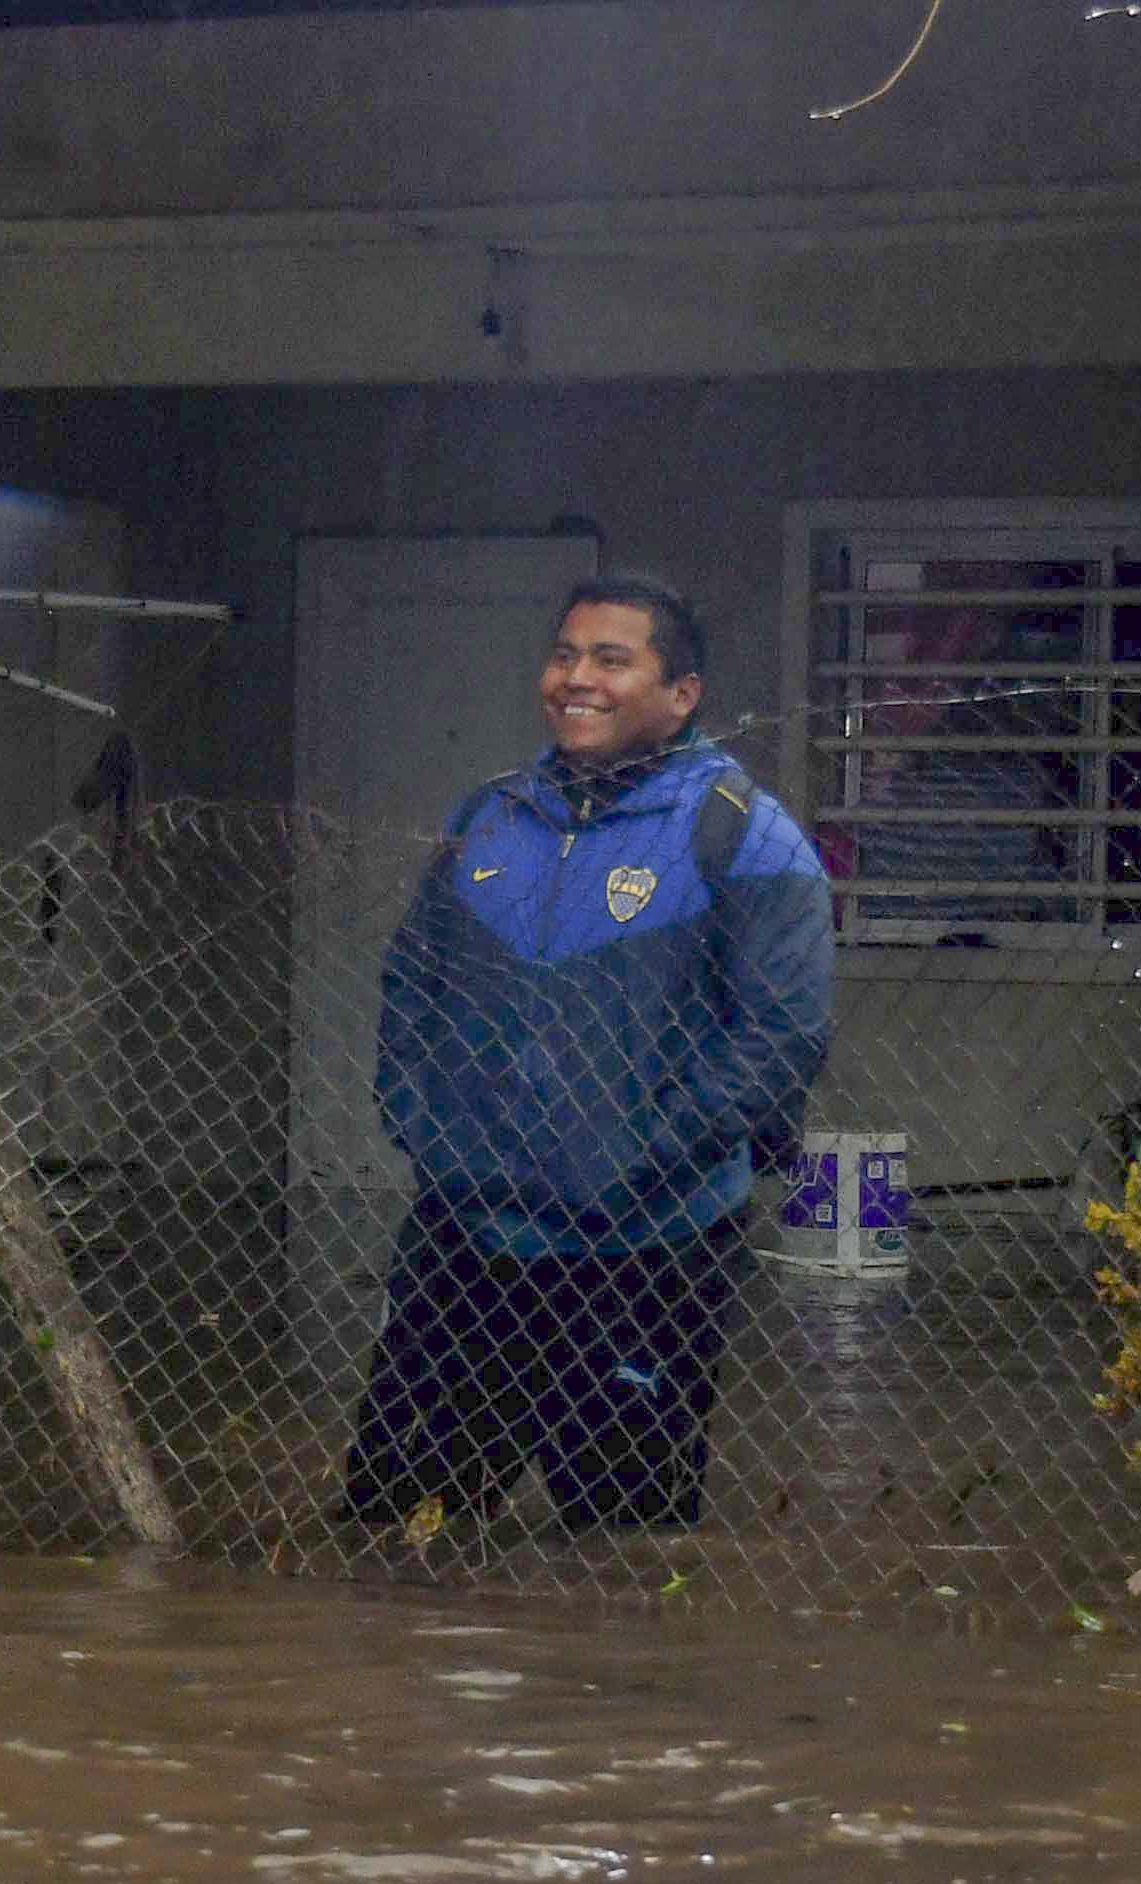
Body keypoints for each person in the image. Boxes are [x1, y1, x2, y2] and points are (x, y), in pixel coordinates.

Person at [337, 572, 832, 1534]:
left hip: (649, 1250)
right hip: (470, 1237)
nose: (577, 678)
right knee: (394, 1533)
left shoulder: (746, 835)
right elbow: (412, 986)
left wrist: (640, 1158)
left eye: (613, 659)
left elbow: (782, 1036)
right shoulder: (487, 817)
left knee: (621, 1555)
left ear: (681, 694)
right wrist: (427, 1128)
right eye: (565, 654)